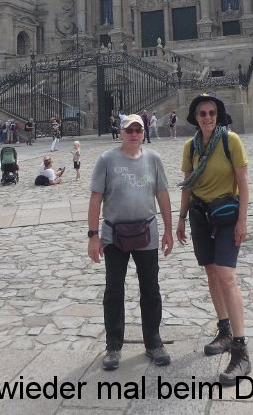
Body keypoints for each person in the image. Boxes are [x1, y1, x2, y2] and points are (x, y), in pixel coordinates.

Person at [88, 114, 173, 371]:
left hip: (146, 232)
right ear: (122, 132)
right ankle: (113, 346)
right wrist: (93, 236)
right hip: (114, 234)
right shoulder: (106, 160)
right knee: (114, 289)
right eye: (129, 130)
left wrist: (168, 230)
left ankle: (153, 342)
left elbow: (162, 194)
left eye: (138, 130)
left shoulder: (153, 159)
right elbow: (95, 198)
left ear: (143, 132)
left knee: (151, 288)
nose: (134, 134)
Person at [176, 94, 251, 386]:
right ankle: (224, 330)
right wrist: (181, 218)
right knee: (211, 273)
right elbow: (187, 184)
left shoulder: (231, 141)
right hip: (199, 214)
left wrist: (243, 220)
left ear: (218, 115)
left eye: (211, 112)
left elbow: (243, 182)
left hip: (226, 214)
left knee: (227, 277)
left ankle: (241, 350)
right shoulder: (190, 146)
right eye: (202, 113)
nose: (207, 117)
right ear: (195, 118)